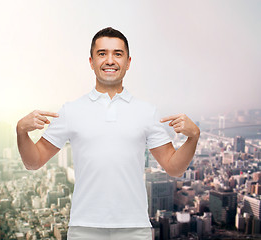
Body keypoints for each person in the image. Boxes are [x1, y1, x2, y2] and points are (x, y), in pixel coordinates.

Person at [16, 27, 200, 240]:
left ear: (128, 62)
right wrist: (21, 131)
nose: (110, 60)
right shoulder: (71, 110)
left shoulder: (147, 112)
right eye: (102, 53)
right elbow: (34, 162)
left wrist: (193, 137)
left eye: (117, 54)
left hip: (135, 229)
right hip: (84, 228)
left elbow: (174, 167)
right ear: (91, 61)